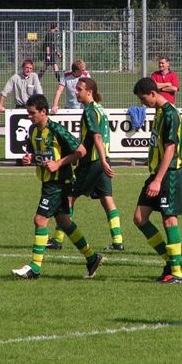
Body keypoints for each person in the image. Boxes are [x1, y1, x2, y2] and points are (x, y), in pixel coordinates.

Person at [12, 94, 103, 280]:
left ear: (44, 112)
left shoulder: (57, 130)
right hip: (48, 182)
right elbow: (34, 150)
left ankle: (35, 268)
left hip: (59, 183)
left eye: (32, 113)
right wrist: (29, 157)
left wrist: (58, 163)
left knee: (40, 220)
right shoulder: (34, 130)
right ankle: (92, 257)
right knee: (63, 221)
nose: (29, 116)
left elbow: (81, 151)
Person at [47, 78, 124, 252]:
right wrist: (105, 160)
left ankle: (57, 240)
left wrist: (101, 160)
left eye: (79, 89)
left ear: (89, 92)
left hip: (92, 162)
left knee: (68, 198)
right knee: (107, 199)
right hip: (103, 161)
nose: (76, 92)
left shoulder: (89, 110)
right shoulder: (100, 109)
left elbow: (96, 137)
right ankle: (118, 241)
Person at [132, 77, 182, 284]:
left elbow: (170, 149)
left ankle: (177, 275)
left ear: (153, 93)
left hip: (169, 174)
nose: (143, 103)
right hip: (156, 174)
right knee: (139, 218)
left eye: (144, 99)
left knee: (169, 219)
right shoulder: (159, 112)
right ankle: (172, 263)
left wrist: (158, 180)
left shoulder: (171, 114)